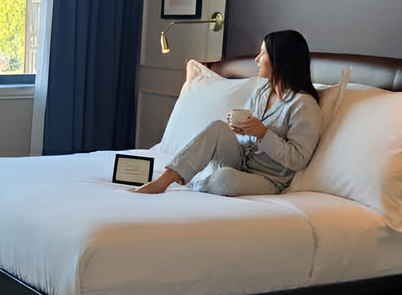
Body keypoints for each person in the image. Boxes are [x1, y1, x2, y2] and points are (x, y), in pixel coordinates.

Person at [134, 29, 323, 196]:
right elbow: (246, 134)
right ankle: (164, 181)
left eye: (263, 53)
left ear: (280, 60)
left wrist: (263, 134)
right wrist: (239, 129)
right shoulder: (262, 91)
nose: (257, 59)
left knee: (225, 179)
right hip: (242, 161)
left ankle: (196, 181)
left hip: (268, 178)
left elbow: (298, 159)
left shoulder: (303, 105)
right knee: (218, 127)